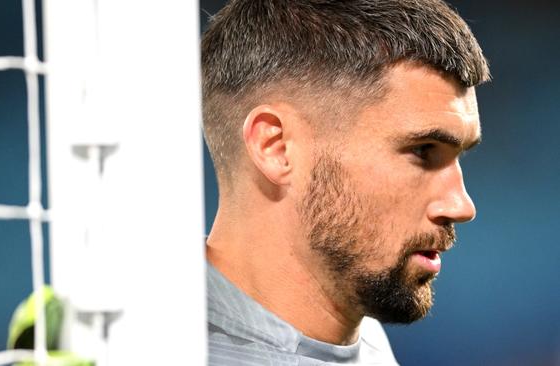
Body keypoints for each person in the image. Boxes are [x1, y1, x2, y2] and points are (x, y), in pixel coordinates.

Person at [202, 0, 490, 364]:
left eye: (458, 156)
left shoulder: (362, 333)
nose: (461, 205)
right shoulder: (147, 348)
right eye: (422, 151)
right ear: (276, 147)